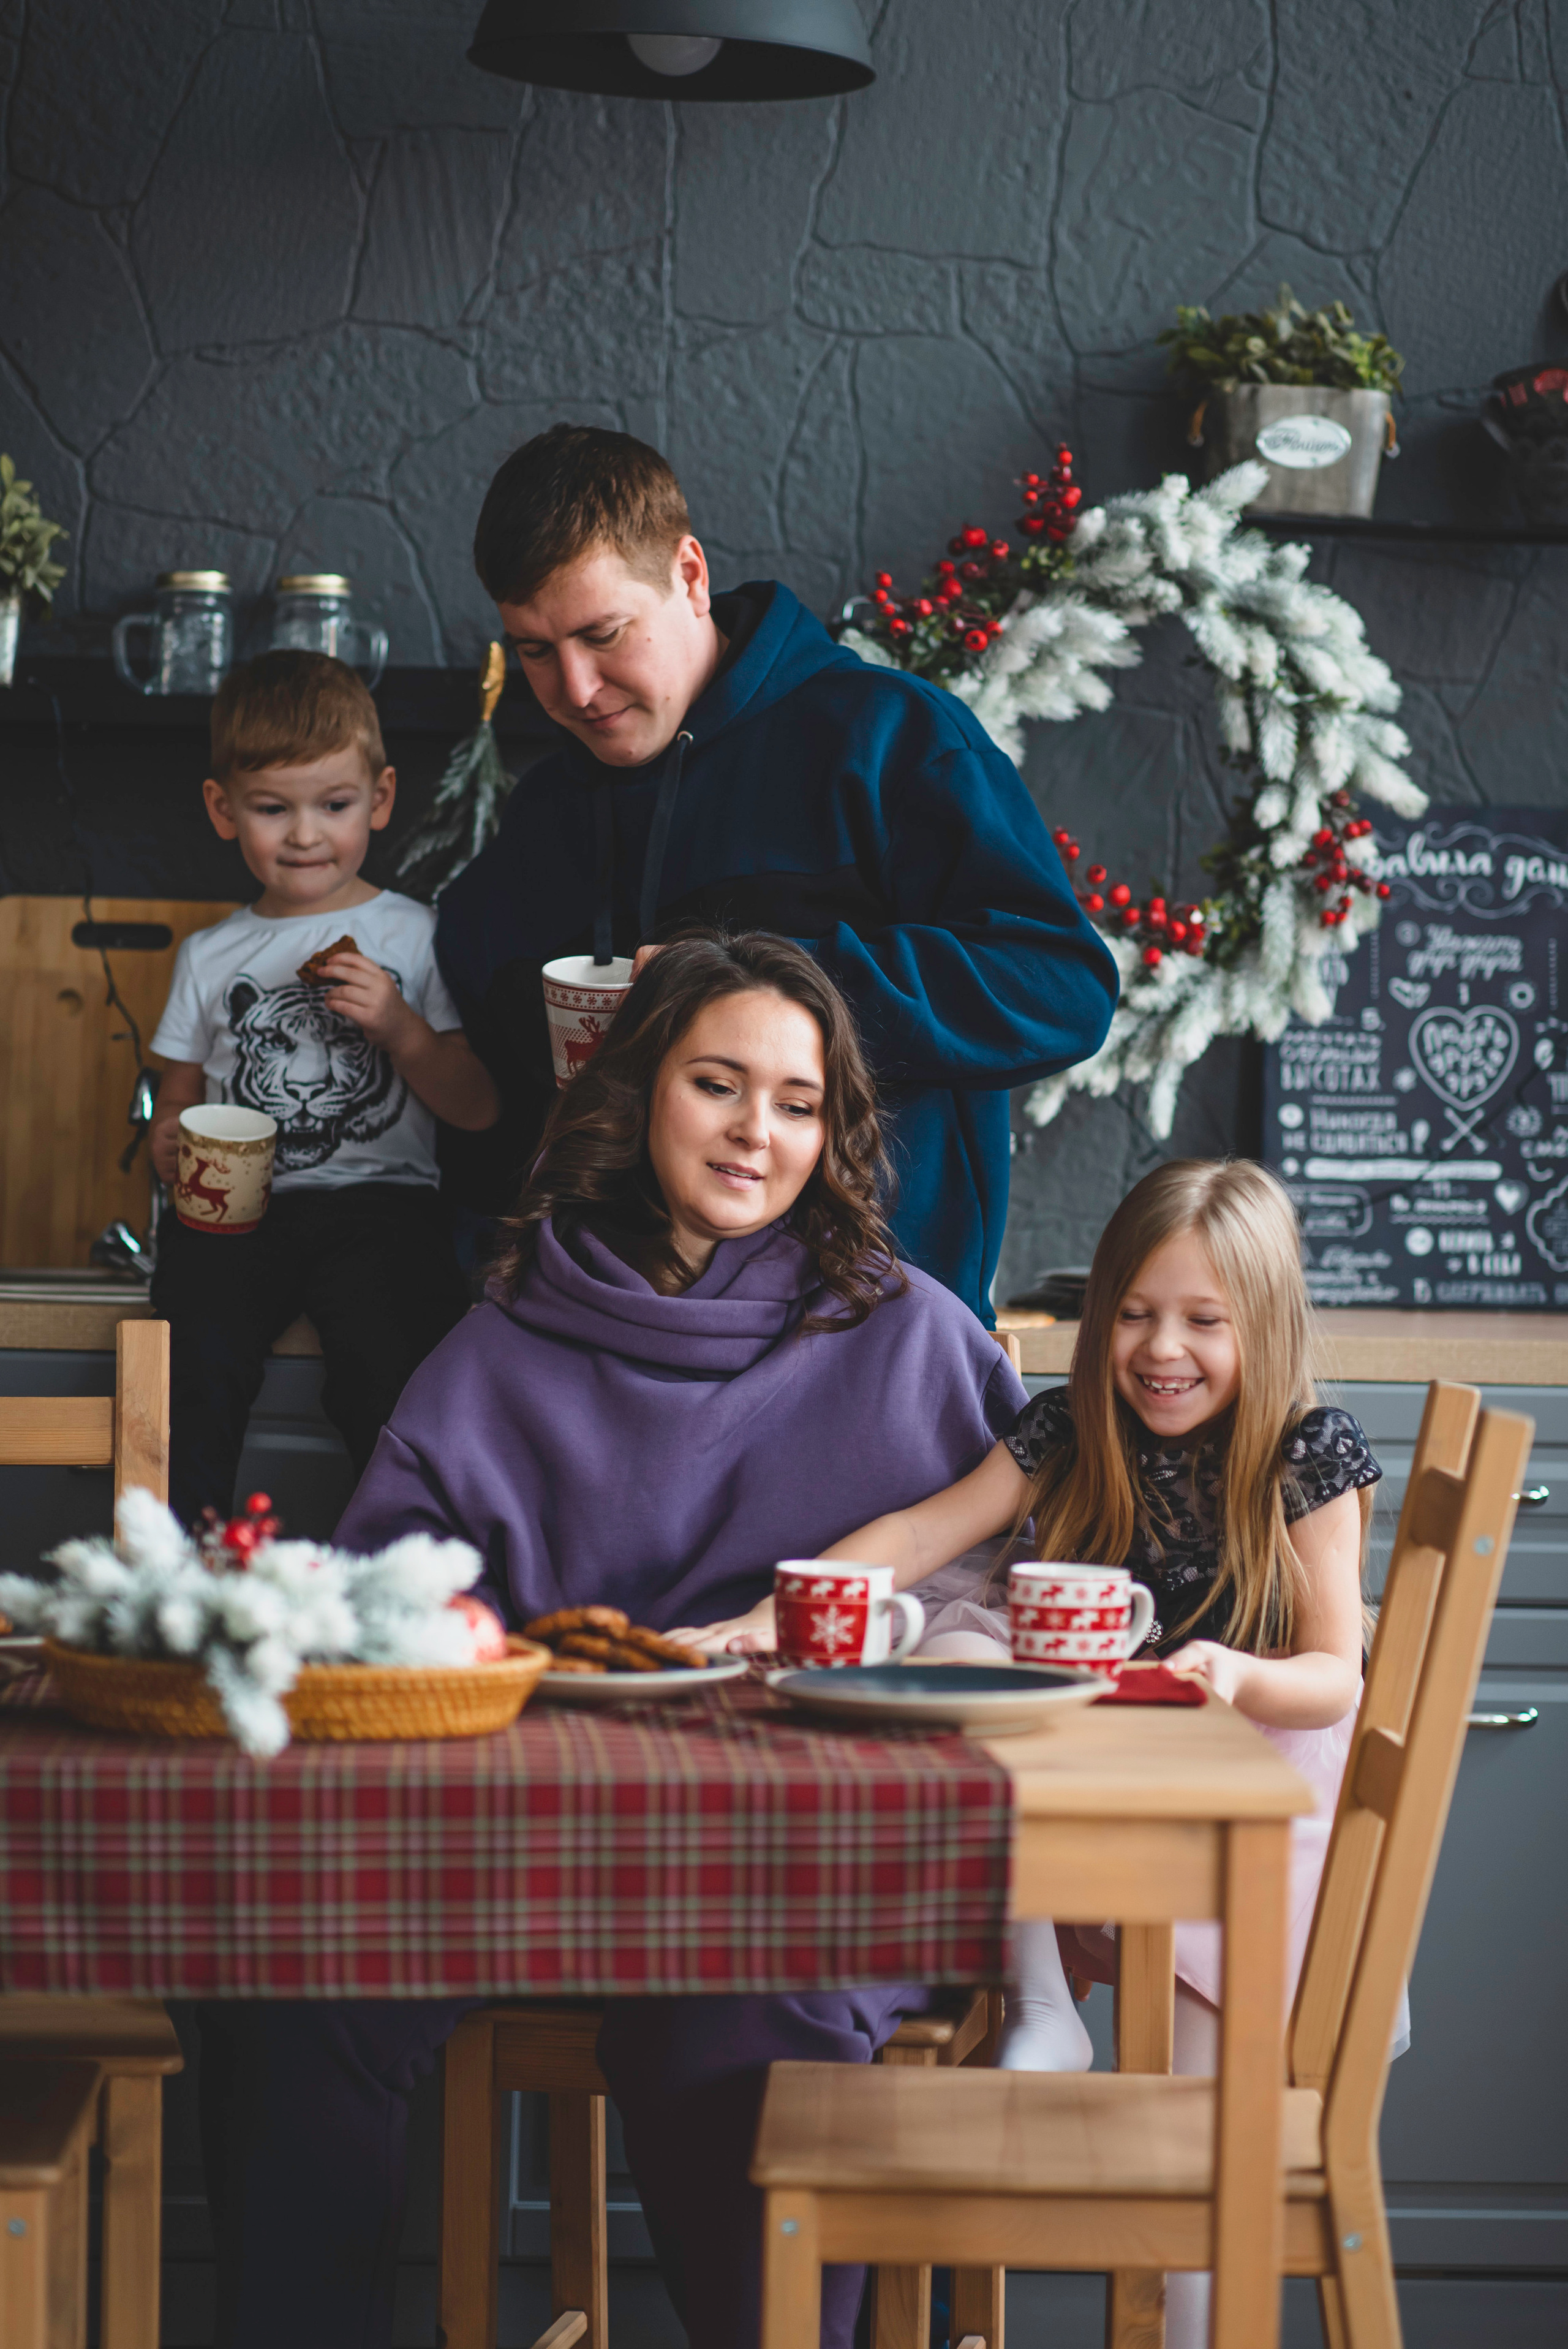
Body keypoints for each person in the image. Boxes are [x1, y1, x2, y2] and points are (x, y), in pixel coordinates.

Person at [196, 931, 1026, 2349]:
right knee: (294, 1976)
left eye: (796, 1101)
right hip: (528, 1839)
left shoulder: (912, 1334)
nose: (754, 1132)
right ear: (641, 1089)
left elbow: (1010, 1604)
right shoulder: (509, 1330)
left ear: (832, 1132)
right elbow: (384, 1600)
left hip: (792, 1863)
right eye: (716, 1084)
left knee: (735, 2015)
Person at [696, 1157, 1385, 2331]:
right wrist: (772, 1613)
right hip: (1099, 1777)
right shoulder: (1073, 1427)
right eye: (1136, 1313)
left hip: (1248, 1799)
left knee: (1206, 2138)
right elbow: (924, 1531)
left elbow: (1334, 1674)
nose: (1164, 1348)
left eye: (1205, 1321)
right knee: (969, 1660)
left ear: (1262, 1326)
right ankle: (1040, 2001)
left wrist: (1240, 1672)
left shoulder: (1308, 1452)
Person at [434, 422, 1118, 1325]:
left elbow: (1062, 987)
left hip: (867, 1331)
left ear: (688, 575)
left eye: (604, 634)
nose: (576, 688)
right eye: (533, 650)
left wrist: (764, 995)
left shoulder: (886, 740)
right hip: (619, 1346)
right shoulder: (541, 821)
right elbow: (492, 1102)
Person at [148, 651, 499, 1526]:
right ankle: (183, 1551)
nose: (305, 834)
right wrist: (169, 1139)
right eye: (273, 809)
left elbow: (476, 1106)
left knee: (393, 1363)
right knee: (197, 1352)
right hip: (244, 1210)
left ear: (379, 799)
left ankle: (395, 1556)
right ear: (224, 810)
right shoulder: (209, 955)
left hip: (384, 1202)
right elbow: (178, 1090)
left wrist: (399, 1027)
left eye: (333, 806)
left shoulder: (413, 936)